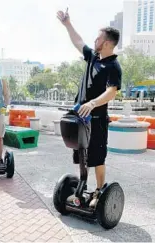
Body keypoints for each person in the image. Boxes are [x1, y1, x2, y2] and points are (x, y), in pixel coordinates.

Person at [57, 9, 122, 207]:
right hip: (81, 118)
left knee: (97, 157)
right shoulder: (93, 57)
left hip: (97, 120)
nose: (95, 40)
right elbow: (78, 42)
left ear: (108, 43)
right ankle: (81, 187)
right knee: (82, 154)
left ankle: (98, 191)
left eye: (98, 38)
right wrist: (67, 23)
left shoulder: (113, 66)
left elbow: (112, 91)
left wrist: (93, 103)